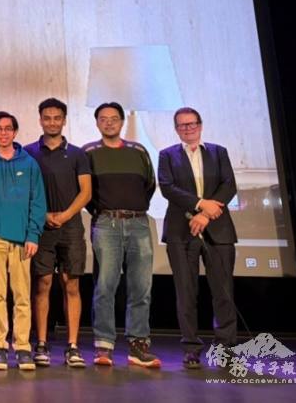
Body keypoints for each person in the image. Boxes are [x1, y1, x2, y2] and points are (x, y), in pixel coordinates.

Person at [158, 107, 238, 368]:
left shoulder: (218, 152)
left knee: (223, 292)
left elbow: (229, 185)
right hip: (180, 232)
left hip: (218, 230)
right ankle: (191, 348)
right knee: (186, 292)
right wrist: (201, 205)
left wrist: (204, 215)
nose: (188, 128)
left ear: (200, 125)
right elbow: (168, 188)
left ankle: (226, 347)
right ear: (176, 129)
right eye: (182, 125)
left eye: (192, 124)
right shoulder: (167, 155)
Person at [83, 102, 160, 368]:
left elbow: (149, 185)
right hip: (107, 223)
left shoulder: (138, 151)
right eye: (103, 119)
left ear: (121, 122)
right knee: (105, 286)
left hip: (139, 223)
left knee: (141, 286)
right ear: (97, 123)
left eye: (114, 118)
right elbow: (85, 192)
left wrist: (134, 208)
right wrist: (104, 211)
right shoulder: (89, 153)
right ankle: (103, 345)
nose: (109, 123)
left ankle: (138, 345)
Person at [0, 111, 45, 371]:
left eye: (8, 128)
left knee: (22, 294)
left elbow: (37, 201)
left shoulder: (29, 164)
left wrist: (33, 234)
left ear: (14, 132)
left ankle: (22, 347)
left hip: (23, 238)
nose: (3, 133)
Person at [25, 98, 91, 368]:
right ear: (40, 120)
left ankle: (73, 346)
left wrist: (65, 215)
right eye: (47, 118)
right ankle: (41, 343)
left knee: (71, 284)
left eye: (57, 118)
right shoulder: (28, 152)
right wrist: (43, 216)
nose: (52, 122)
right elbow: (23, 192)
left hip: (71, 226)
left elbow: (86, 192)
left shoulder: (77, 154)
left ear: (64, 120)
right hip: (40, 226)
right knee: (42, 283)